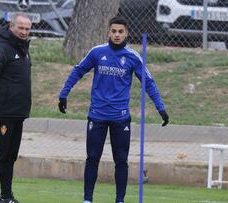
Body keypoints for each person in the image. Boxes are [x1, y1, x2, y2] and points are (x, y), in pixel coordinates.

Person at [58, 16, 169, 203]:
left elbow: (148, 82)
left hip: (120, 118)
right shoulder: (97, 52)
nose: (117, 35)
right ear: (108, 32)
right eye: (113, 31)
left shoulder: (133, 57)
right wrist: (64, 94)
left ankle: (120, 200)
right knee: (92, 158)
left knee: (121, 161)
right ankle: (87, 199)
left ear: (126, 33)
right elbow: (78, 70)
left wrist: (160, 107)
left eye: (121, 31)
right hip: (97, 116)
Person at [0, 12, 32, 203]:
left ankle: (7, 197)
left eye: (27, 28)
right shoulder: (1, 49)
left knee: (10, 157)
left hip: (18, 114)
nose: (24, 31)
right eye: (21, 27)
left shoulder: (24, 49)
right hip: (2, 112)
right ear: (11, 26)